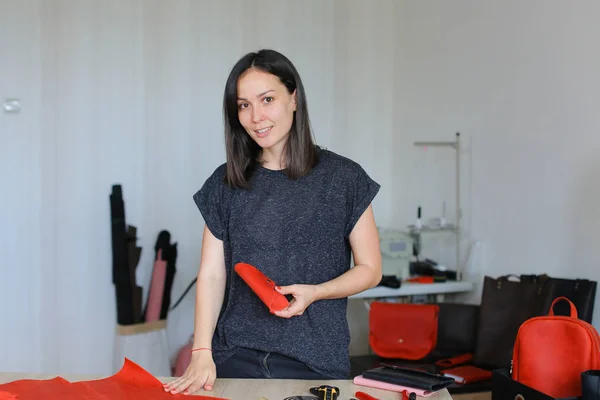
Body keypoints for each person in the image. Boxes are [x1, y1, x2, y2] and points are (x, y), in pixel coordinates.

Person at [164, 49, 382, 395]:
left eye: (267, 99)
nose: (255, 116)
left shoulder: (344, 178)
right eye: (243, 105)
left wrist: (316, 293)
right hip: (233, 356)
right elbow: (211, 273)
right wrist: (202, 351)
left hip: (314, 361)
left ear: (294, 98)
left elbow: (370, 269)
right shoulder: (226, 183)